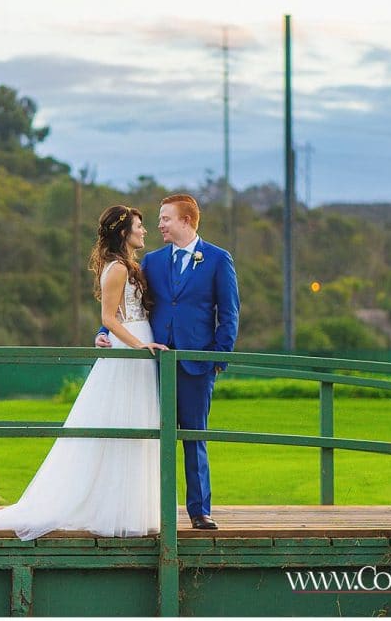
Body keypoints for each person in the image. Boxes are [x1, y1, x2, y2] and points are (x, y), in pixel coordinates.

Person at [0, 205, 168, 540]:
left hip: (136, 344)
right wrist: (140, 347)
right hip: (132, 349)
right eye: (139, 226)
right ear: (123, 232)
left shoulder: (130, 265)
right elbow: (110, 319)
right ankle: (110, 509)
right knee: (120, 425)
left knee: (138, 427)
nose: (145, 231)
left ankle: (131, 508)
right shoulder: (116, 269)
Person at [96, 194, 239, 530]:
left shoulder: (218, 259)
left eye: (165, 219)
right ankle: (150, 509)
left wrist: (218, 358)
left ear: (186, 221)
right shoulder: (154, 262)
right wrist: (104, 330)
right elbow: (129, 304)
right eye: (157, 220)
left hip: (195, 364)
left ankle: (199, 510)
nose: (159, 225)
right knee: (149, 435)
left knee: (194, 436)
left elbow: (229, 313)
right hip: (152, 363)